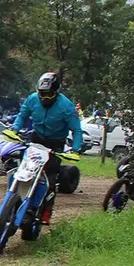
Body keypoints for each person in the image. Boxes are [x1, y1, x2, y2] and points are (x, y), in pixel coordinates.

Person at [11, 72, 84, 225]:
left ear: (56, 93)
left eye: (49, 94)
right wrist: (14, 129)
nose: (44, 97)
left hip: (55, 144)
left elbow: (76, 130)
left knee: (49, 181)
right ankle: (14, 199)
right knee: (23, 170)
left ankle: (46, 211)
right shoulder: (32, 99)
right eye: (41, 94)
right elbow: (22, 115)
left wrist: (76, 149)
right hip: (36, 139)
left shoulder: (66, 107)